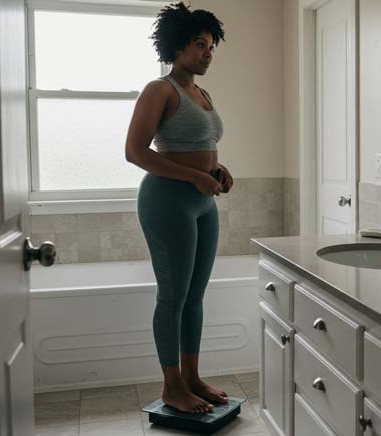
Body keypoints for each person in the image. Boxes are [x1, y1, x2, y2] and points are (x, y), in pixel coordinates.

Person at [124, 2, 233, 414]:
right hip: (167, 201)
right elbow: (135, 152)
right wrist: (192, 177)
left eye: (211, 46)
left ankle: (191, 378)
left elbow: (201, 147)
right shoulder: (160, 90)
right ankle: (172, 387)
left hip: (203, 201)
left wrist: (218, 170)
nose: (208, 53)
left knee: (195, 297)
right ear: (177, 46)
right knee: (172, 296)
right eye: (200, 44)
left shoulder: (202, 94)